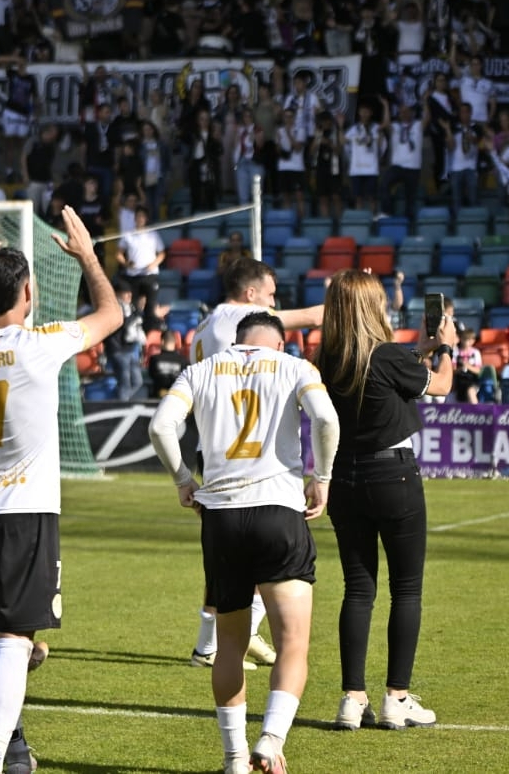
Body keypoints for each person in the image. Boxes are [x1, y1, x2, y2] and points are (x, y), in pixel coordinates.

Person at [0, 200, 122, 774]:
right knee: (15, 636)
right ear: (29, 293)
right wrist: (87, 254)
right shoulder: (43, 343)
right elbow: (110, 313)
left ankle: (11, 750)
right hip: (26, 509)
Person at [146, 311, 340, 774]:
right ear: (277, 341)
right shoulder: (294, 365)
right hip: (278, 511)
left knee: (230, 645)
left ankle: (234, 758)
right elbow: (327, 420)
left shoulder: (200, 369)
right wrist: (322, 478)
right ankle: (270, 741)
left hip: (222, 518)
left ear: (237, 341)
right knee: (291, 643)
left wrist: (181, 480)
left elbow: (160, 427)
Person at [316, 269, 455, 731]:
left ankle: (352, 698)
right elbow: (440, 385)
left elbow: (384, 367)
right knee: (406, 588)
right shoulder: (388, 356)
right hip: (392, 475)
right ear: (372, 308)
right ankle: (397, 696)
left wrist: (422, 349)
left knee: (358, 589)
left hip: (344, 478)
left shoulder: (326, 360)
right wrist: (447, 347)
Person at [116, 208, 164, 329]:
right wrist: (126, 263)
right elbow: (119, 254)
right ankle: (134, 329)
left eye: (142, 216)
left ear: (146, 219)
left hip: (150, 274)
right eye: (138, 216)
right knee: (133, 306)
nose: (140, 219)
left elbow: (162, 253)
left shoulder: (153, 235)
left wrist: (154, 264)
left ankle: (150, 330)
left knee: (151, 305)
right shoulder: (128, 235)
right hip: (133, 275)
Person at [147, 331, 187, 397]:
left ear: (162, 341)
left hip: (157, 400)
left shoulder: (154, 359)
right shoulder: (183, 360)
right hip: (177, 398)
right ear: (175, 342)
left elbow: (152, 376)